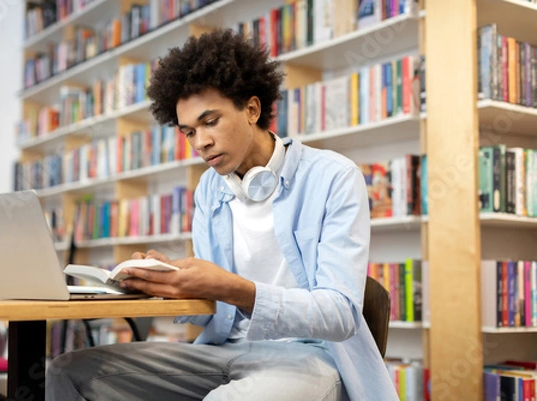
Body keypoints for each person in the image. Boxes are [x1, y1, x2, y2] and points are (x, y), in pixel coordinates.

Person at [46, 29, 399, 401]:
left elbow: (340, 314)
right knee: (68, 372)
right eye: (189, 132)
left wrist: (232, 288)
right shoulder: (210, 189)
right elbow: (209, 312)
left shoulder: (333, 177)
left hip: (308, 356)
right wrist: (169, 281)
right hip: (220, 351)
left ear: (251, 109)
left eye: (210, 122)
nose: (201, 143)